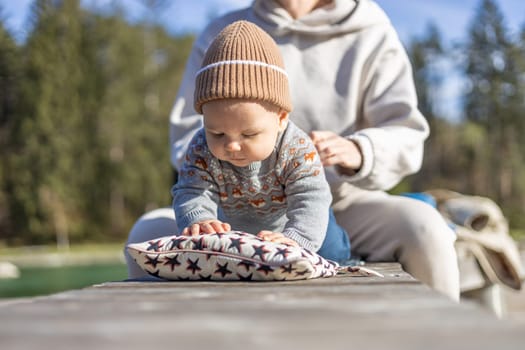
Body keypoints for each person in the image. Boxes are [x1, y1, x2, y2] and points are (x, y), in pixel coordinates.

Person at [125, 0, 460, 301]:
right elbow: (187, 135)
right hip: (229, 209)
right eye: (220, 133)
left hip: (344, 199)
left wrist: (360, 150)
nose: (231, 141)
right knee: (144, 233)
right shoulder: (220, 34)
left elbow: (405, 132)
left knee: (425, 228)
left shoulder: (370, 29)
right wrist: (212, 203)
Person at [172, 20, 350, 259]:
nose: (232, 145)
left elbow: (311, 197)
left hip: (300, 224)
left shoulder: (296, 148)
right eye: (218, 133)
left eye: (249, 134)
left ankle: (346, 250)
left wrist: (296, 239)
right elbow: (191, 190)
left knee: (334, 251)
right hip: (235, 230)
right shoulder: (200, 146)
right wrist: (200, 219)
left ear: (281, 119)